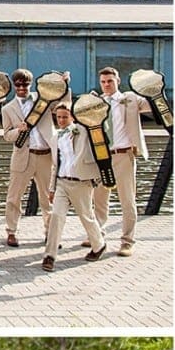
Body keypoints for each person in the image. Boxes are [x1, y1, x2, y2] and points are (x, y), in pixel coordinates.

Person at [92, 66, 152, 257]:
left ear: (118, 80)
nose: (107, 85)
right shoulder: (96, 102)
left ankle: (127, 241)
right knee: (99, 198)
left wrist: (148, 85)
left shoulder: (130, 99)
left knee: (127, 200)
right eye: (103, 81)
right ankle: (97, 235)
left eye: (110, 81)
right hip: (102, 155)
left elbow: (153, 105)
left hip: (123, 155)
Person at [42, 104, 106, 272]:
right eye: (59, 117)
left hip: (81, 182)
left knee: (86, 216)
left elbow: (94, 124)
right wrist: (52, 188)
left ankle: (99, 244)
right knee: (56, 216)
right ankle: (50, 255)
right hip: (62, 182)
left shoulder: (82, 131)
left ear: (72, 117)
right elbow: (55, 165)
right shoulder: (55, 137)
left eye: (65, 117)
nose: (61, 120)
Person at [0, 68, 57, 247]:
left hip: (45, 155)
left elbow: (64, 102)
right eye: (18, 84)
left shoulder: (43, 102)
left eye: (25, 84)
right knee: (14, 197)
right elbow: (7, 135)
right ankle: (11, 231)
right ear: (14, 86)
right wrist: (19, 130)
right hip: (23, 156)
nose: (22, 88)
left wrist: (64, 82)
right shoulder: (8, 108)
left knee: (48, 197)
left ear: (30, 84)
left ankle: (50, 233)